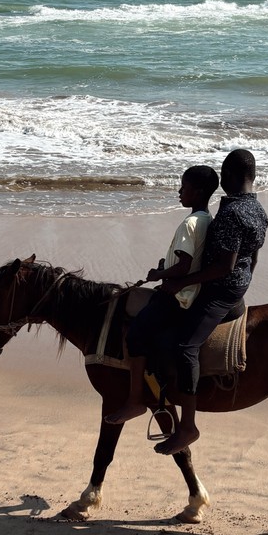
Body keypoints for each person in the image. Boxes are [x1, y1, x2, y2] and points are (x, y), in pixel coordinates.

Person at [153, 148, 268, 456]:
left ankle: (188, 427)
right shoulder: (258, 210)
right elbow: (253, 256)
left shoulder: (231, 213)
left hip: (219, 290)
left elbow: (223, 267)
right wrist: (244, 285)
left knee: (185, 347)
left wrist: (179, 282)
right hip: (238, 287)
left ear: (228, 175)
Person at [105, 165, 218, 425]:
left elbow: (185, 265)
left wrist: (159, 275)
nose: (179, 191)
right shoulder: (205, 219)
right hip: (190, 292)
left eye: (184, 186)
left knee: (134, 334)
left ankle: (135, 401)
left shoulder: (189, 223)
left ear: (198, 191)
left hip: (179, 296)